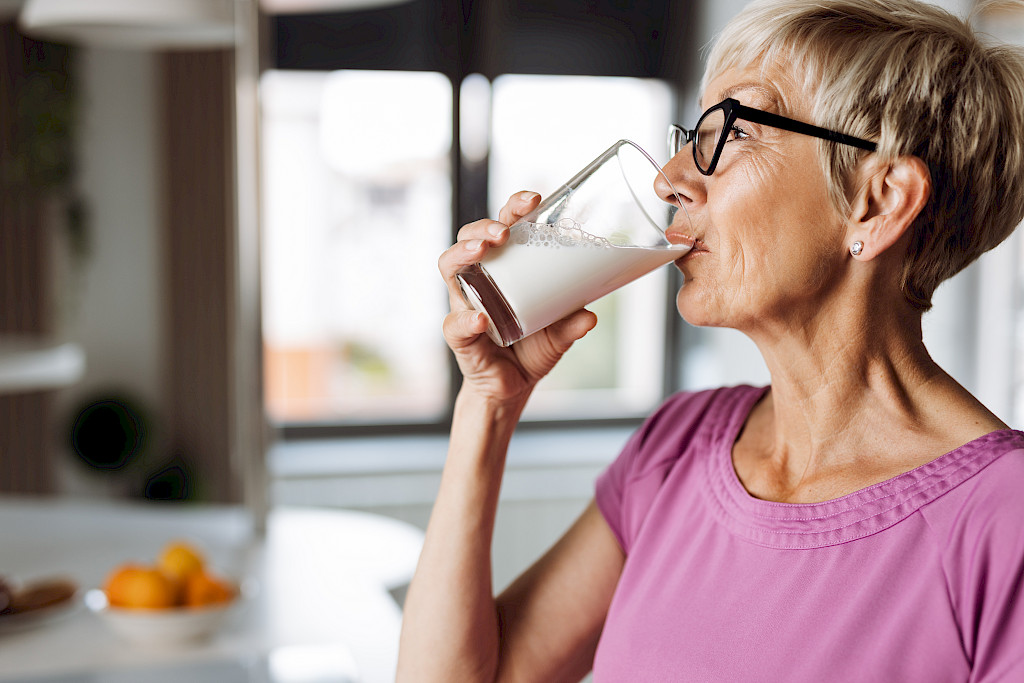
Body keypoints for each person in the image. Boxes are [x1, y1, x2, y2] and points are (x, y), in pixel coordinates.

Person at [396, 0, 1024, 680]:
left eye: (733, 132)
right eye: (692, 131)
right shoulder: (677, 446)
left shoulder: (1003, 524)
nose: (670, 178)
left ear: (878, 200)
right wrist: (488, 403)